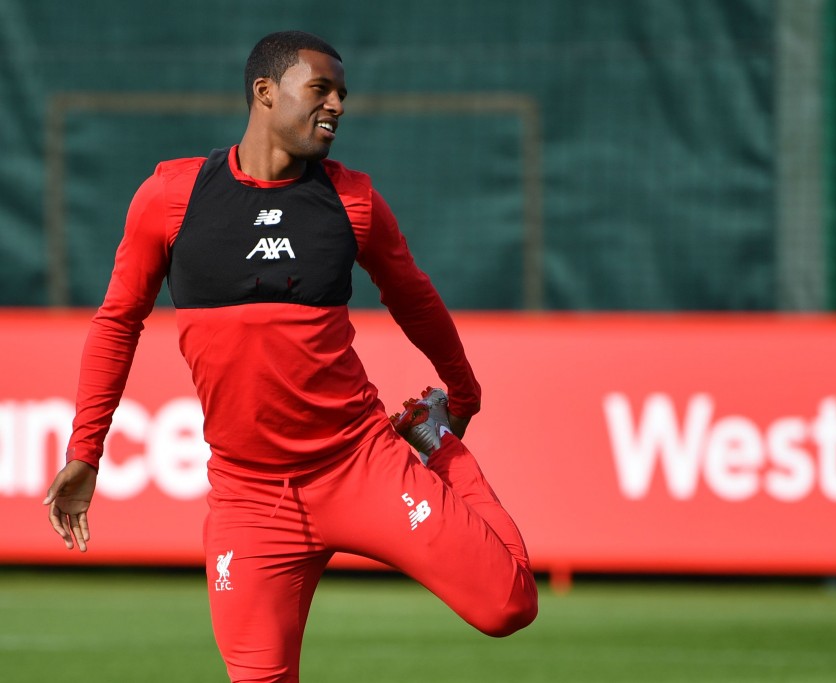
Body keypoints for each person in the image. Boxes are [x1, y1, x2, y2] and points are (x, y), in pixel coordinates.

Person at [43, 30, 538, 682]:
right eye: (320, 89)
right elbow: (116, 323)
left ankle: (436, 441)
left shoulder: (353, 202)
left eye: (342, 95)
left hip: (360, 464)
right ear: (265, 92)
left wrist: (462, 397)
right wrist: (86, 451)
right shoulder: (170, 199)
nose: (335, 105)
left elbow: (414, 297)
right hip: (250, 499)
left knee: (508, 604)